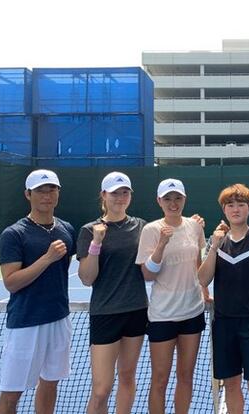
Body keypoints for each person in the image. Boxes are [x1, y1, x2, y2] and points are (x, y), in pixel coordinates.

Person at [0, 169, 76, 414]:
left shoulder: (66, 229)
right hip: (26, 323)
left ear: (58, 193)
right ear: (28, 194)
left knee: (50, 384)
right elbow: (11, 282)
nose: (47, 195)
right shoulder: (13, 234)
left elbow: (64, 269)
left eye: (52, 189)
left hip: (59, 319)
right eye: (40, 191)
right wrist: (47, 258)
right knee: (11, 393)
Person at [198, 183, 249, 414]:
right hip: (224, 325)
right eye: (230, 205)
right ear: (224, 210)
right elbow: (203, 279)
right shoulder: (216, 242)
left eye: (241, 204)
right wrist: (213, 246)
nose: (235, 209)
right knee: (231, 387)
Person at [135, 178, 208, 414]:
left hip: (192, 312)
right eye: (167, 198)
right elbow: (147, 275)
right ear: (159, 201)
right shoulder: (151, 230)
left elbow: (198, 263)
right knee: (160, 379)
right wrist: (161, 245)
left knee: (186, 376)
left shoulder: (195, 226)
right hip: (163, 315)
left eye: (177, 198)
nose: (173, 203)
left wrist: (205, 292)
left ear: (184, 199)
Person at [77, 172, 148, 414]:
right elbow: (87, 278)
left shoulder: (141, 226)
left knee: (127, 376)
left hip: (136, 311)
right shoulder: (89, 230)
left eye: (125, 192)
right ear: (103, 195)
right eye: (115, 193)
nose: (120, 197)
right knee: (101, 389)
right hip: (105, 314)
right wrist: (96, 243)